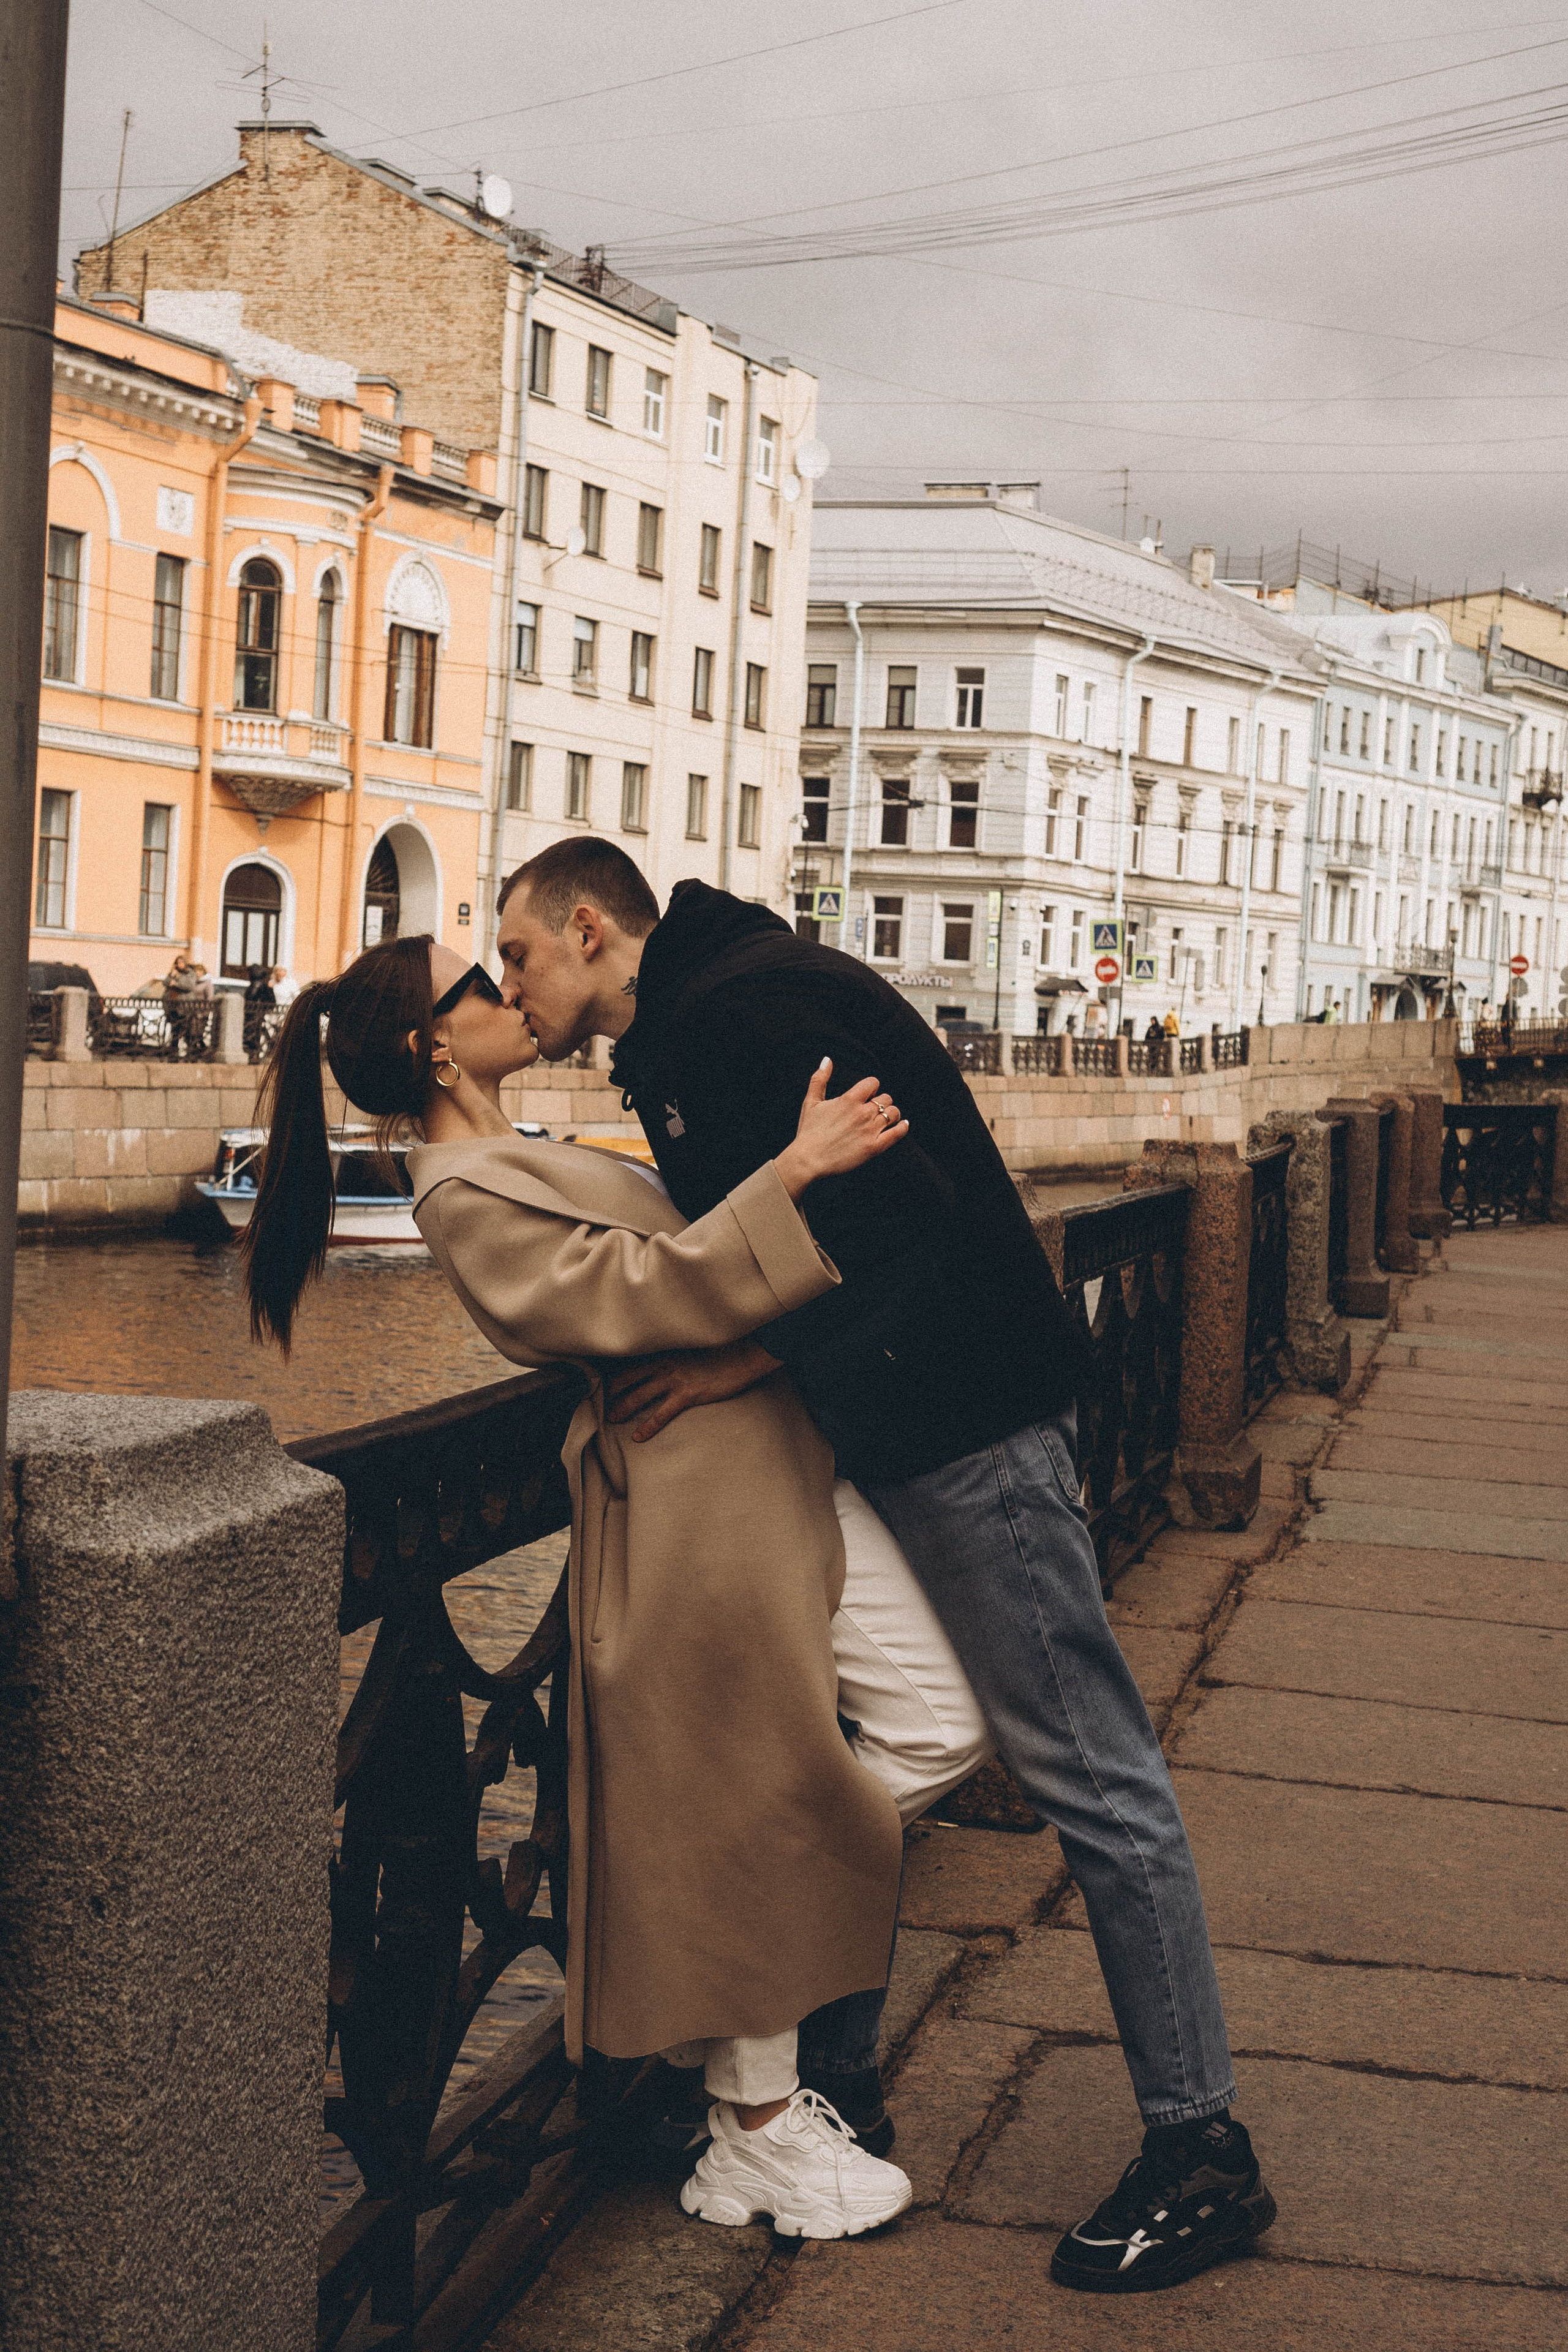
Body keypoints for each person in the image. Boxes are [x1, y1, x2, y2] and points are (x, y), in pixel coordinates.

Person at [496, 842, 1276, 2298]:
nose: (514, 988)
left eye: (522, 957)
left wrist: (734, 1355)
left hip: (965, 1428)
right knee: (844, 1744)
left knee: (1094, 1777)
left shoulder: (737, 1017)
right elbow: (818, 1231)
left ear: (590, 930)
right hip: (905, 1423)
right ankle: (832, 2080)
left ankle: (1200, 2152)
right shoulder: (710, 1008)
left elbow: (897, 1218)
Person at [241, 930, 994, 2243]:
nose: (510, 989)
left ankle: (746, 2047)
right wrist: (797, 1169)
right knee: (803, 1778)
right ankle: (755, 2118)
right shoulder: (454, 1192)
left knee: (922, 1728)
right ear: (431, 1041)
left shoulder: (509, 1146)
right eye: (484, 982)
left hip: (763, 1462)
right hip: (694, 1510)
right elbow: (640, 1289)